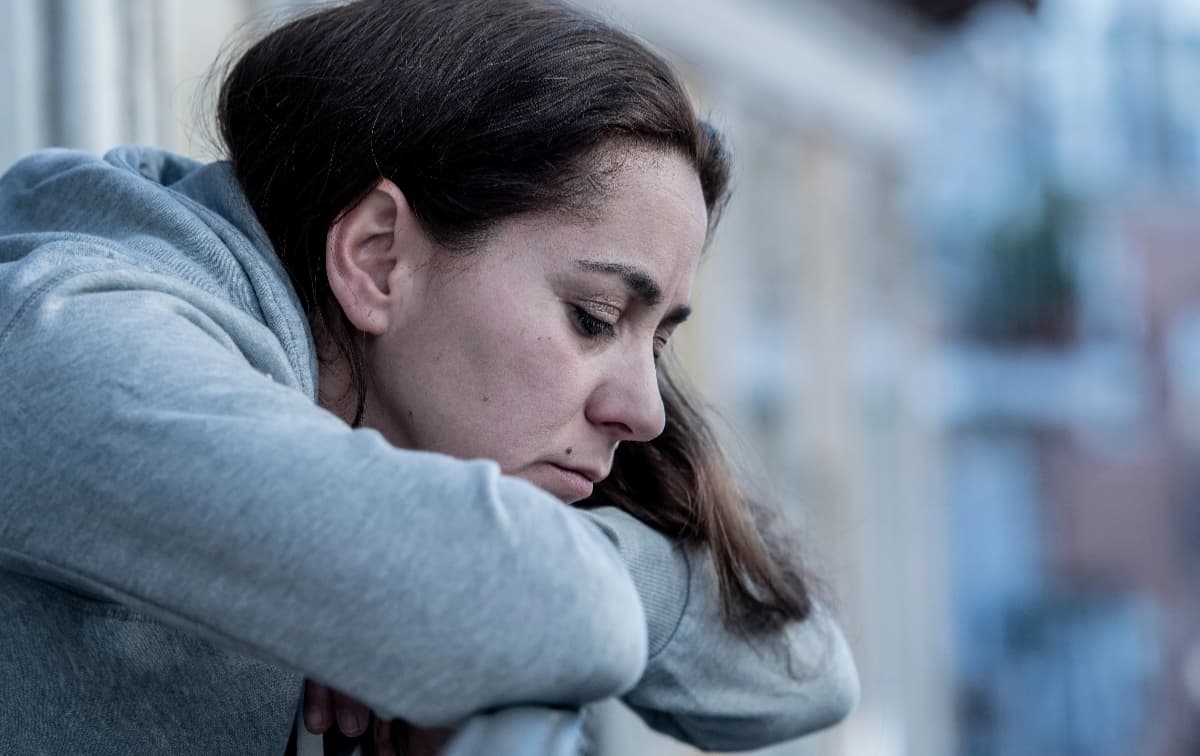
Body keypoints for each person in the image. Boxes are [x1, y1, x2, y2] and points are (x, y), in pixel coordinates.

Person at [0, 0, 859, 754]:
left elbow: (805, 669)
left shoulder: (423, 419)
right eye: (594, 318)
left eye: (658, 340)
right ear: (378, 257)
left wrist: (393, 588)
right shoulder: (69, 345)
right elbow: (585, 615)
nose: (644, 412)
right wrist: (437, 587)